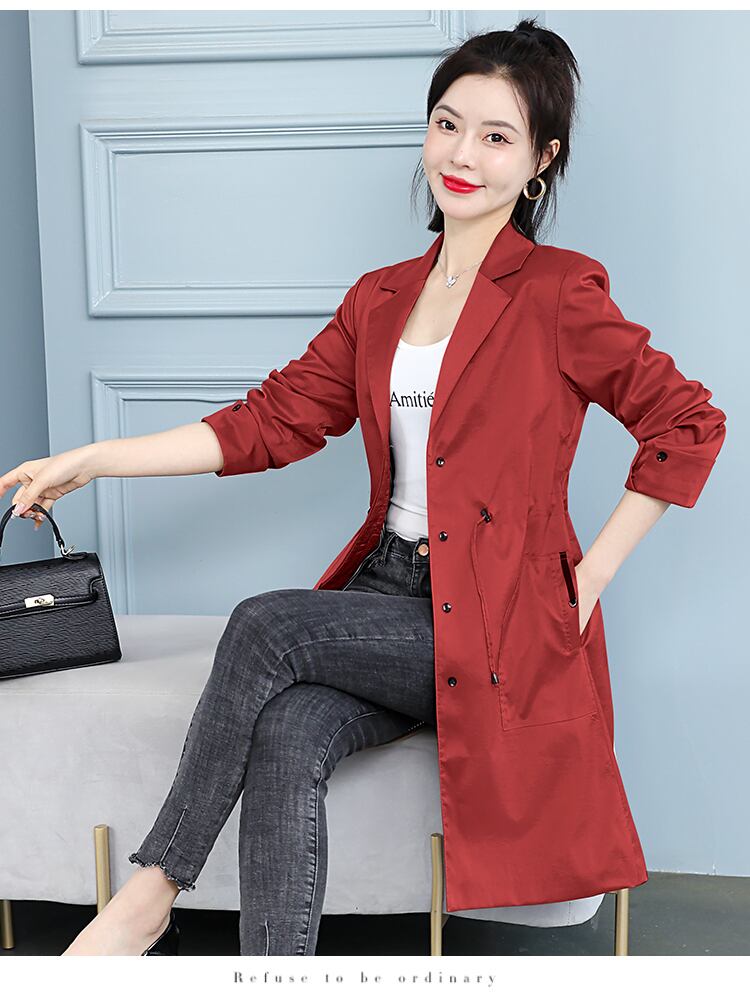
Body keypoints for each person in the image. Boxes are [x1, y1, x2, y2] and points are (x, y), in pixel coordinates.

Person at [0, 19, 727, 955]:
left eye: (496, 137)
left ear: (540, 162)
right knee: (289, 731)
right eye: (447, 124)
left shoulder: (558, 292)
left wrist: (589, 578)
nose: (461, 155)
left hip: (500, 618)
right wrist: (95, 457)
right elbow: (268, 421)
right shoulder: (380, 297)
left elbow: (688, 421)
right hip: (388, 594)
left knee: (264, 622)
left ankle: (150, 891)